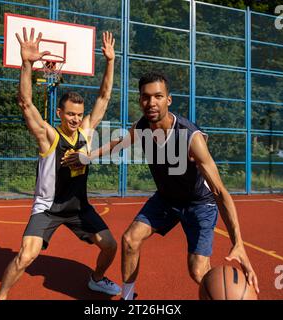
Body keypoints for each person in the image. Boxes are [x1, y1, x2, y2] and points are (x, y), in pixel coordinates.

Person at [62, 71, 259, 300]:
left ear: (169, 99)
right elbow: (120, 142)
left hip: (199, 203)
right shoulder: (143, 126)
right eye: (146, 97)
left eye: (158, 96)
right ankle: (128, 298)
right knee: (129, 240)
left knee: (198, 272)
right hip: (166, 198)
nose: (151, 102)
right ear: (140, 100)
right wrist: (88, 156)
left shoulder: (189, 137)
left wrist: (239, 243)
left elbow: (219, 191)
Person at [0, 28, 120, 299]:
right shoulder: (49, 136)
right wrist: (27, 64)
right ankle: (0, 296)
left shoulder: (85, 132)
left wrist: (110, 62)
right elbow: (26, 104)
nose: (75, 119)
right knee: (26, 256)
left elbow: (104, 98)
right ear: (60, 113)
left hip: (78, 208)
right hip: (48, 209)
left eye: (79, 114)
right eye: (70, 114)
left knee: (110, 246)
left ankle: (96, 279)